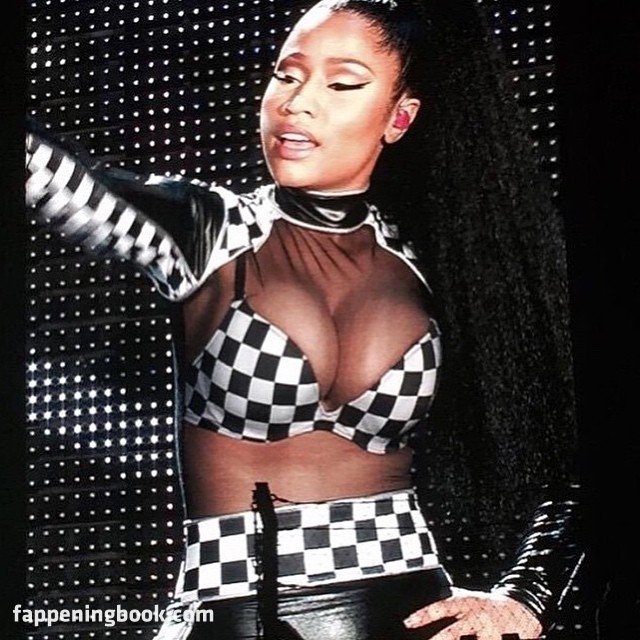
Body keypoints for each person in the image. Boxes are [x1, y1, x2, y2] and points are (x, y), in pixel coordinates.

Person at [25, 0, 582, 638]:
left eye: (341, 84)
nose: (297, 103)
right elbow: (51, 175)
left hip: (412, 607)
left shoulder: (439, 262)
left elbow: (576, 446)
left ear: (399, 118)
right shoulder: (210, 235)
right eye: (286, 75)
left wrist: (526, 595)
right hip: (235, 611)